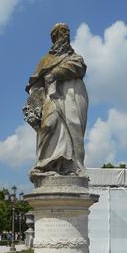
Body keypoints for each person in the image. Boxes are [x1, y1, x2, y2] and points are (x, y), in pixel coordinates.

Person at [23, 23, 88, 180]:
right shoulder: (46, 60)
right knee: (48, 125)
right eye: (61, 32)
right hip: (51, 97)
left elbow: (79, 67)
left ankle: (71, 166)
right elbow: (35, 83)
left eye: (67, 32)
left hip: (71, 97)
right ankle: (43, 165)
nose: (65, 35)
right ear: (55, 37)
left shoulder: (75, 57)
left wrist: (56, 73)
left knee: (73, 129)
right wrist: (33, 105)